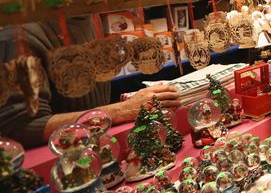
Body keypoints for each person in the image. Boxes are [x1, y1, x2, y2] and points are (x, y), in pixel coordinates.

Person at [0, 19, 181, 148]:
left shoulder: (90, 20)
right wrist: (122, 110)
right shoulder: (19, 37)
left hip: (97, 151)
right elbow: (22, 127)